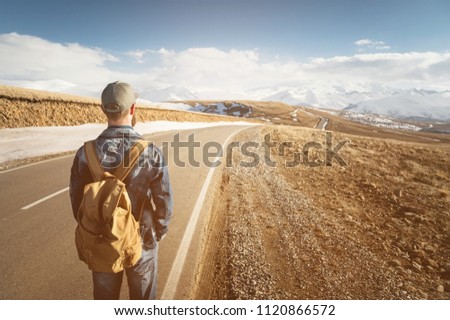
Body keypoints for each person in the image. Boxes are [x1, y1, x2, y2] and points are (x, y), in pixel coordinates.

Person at [69, 81, 173, 299]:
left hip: (102, 238)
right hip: (142, 238)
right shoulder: (151, 152)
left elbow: (77, 201)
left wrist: (94, 229)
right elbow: (164, 201)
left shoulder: (84, 153)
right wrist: (157, 232)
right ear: (133, 109)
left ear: (103, 110)